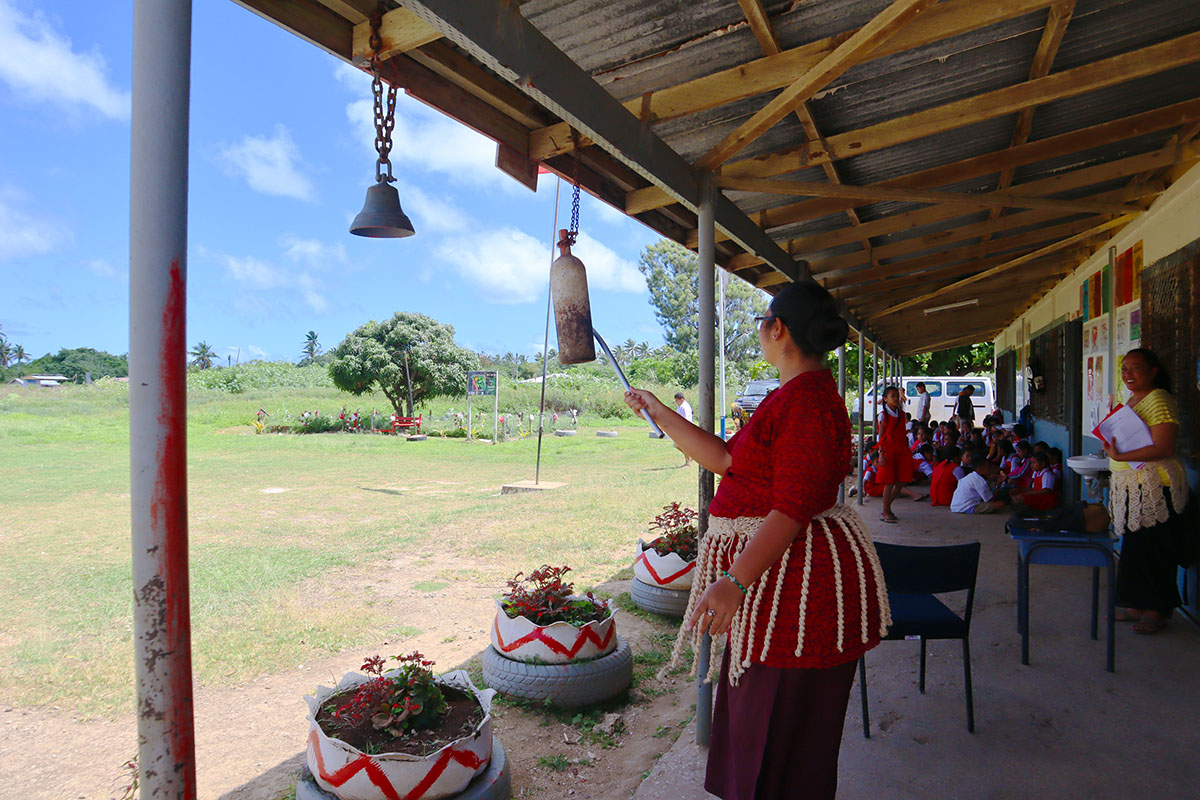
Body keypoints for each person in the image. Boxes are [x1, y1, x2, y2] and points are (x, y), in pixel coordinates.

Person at [623, 282, 889, 800]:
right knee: (762, 742)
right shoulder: (790, 397)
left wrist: (733, 581)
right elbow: (726, 460)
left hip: (797, 602)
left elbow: (792, 507)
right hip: (777, 601)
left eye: (762, 323)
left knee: (784, 751)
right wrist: (657, 410)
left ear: (779, 329)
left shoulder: (809, 403)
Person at [1104, 348, 1192, 635]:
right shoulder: (1131, 399)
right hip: (1133, 488)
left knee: (1156, 549)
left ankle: (1157, 611)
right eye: (1124, 368)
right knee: (1135, 549)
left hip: (1157, 487)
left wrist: (1118, 457)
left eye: (1135, 368)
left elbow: (1164, 447)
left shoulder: (1159, 399)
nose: (1128, 373)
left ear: (1154, 371)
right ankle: (1136, 605)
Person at [875, 385, 915, 524]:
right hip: (888, 450)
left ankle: (887, 507)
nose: (896, 398)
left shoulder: (901, 413)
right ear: (885, 399)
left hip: (901, 450)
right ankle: (886, 510)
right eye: (892, 396)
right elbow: (880, 436)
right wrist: (881, 453)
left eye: (896, 396)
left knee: (901, 481)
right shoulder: (883, 415)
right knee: (889, 482)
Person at [675, 391, 694, 467]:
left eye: (677, 400)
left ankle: (688, 462)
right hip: (681, 428)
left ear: (682, 399)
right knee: (677, 445)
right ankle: (691, 457)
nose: (676, 402)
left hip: (685, 429)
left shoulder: (684, 407)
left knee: (683, 446)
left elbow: (686, 419)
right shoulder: (680, 406)